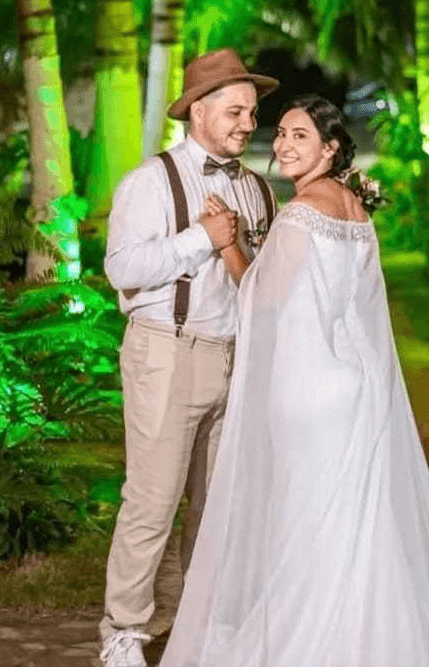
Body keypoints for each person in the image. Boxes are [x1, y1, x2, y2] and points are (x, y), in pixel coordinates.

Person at [157, 95, 429, 667]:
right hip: (356, 387)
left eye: (300, 137)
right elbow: (359, 307)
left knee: (303, 528)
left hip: (309, 395)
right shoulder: (355, 211)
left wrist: (227, 246)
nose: (286, 146)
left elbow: (260, 303)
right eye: (284, 135)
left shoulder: (299, 216)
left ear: (331, 148)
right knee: (356, 530)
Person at [99, 50, 279, 667]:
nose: (247, 123)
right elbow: (121, 269)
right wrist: (203, 238)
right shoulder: (149, 182)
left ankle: (201, 631)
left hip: (236, 360)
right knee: (151, 502)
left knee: (216, 507)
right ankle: (123, 633)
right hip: (166, 355)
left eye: (252, 113)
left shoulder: (256, 189)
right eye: (235, 111)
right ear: (197, 111)